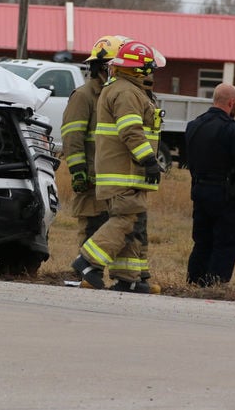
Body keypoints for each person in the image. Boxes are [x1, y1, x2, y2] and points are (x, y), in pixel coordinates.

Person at [71, 39, 163, 293]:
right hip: (125, 172)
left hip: (125, 172)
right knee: (126, 219)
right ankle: (88, 261)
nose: (152, 73)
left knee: (130, 221)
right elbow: (131, 131)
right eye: (149, 68)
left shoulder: (124, 89)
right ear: (138, 69)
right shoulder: (126, 92)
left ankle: (127, 278)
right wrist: (149, 160)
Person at [184, 83, 235, 287]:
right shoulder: (232, 129)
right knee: (225, 242)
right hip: (225, 195)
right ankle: (215, 283)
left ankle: (195, 281)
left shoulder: (194, 126)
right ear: (232, 102)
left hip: (199, 190)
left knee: (202, 241)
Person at [61, 35, 125, 250]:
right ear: (104, 67)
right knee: (92, 227)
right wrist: (78, 170)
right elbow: (72, 135)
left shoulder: (115, 96)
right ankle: (85, 274)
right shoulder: (84, 96)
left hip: (114, 178)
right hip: (92, 178)